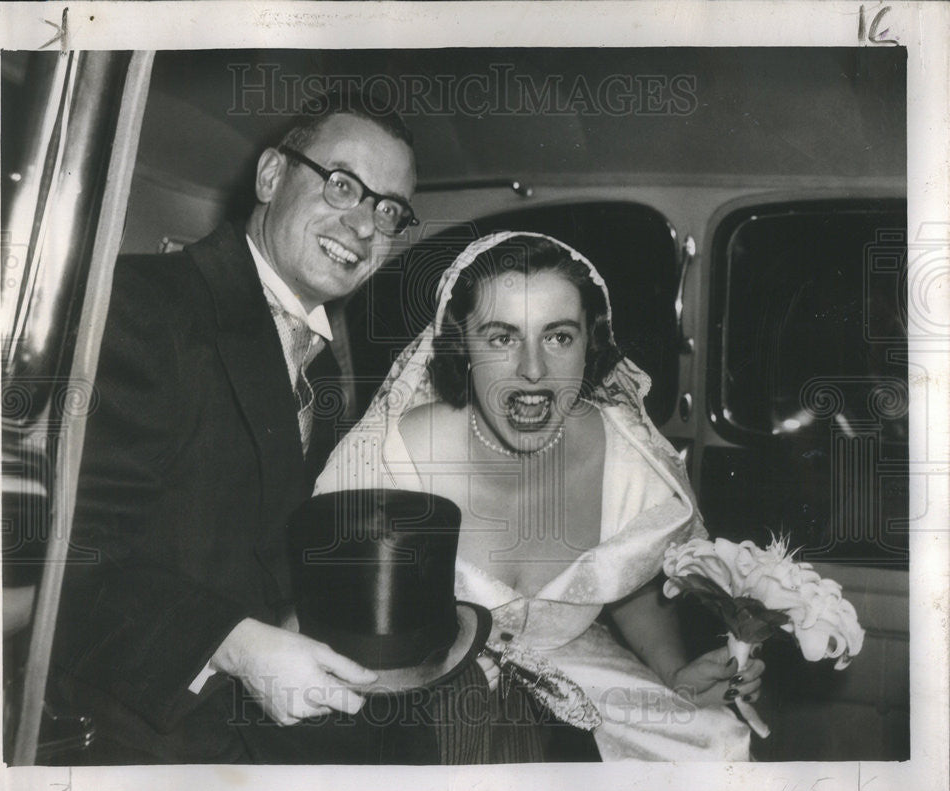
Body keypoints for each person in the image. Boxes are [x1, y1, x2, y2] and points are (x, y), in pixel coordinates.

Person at [49, 91, 423, 764]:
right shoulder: (143, 304)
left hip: (272, 708)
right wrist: (237, 643)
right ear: (272, 177)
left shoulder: (332, 368)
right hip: (141, 719)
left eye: (389, 209)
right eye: (343, 185)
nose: (366, 225)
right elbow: (67, 570)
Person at [316, 231, 761, 761]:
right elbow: (329, 614)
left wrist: (674, 674)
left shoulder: (627, 458)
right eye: (502, 337)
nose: (533, 369)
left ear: (588, 344)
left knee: (720, 751)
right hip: (420, 698)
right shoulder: (389, 460)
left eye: (558, 337)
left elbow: (632, 579)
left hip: (588, 681)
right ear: (462, 347)